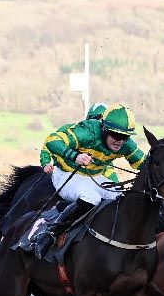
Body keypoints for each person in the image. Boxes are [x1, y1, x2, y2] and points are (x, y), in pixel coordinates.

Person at [33, 104, 145, 258]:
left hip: (95, 177)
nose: (120, 141)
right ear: (104, 129)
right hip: (67, 173)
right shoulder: (88, 132)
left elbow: (144, 163)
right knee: (92, 198)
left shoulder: (126, 145)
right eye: (116, 135)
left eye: (125, 137)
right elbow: (52, 140)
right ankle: (50, 234)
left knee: (122, 198)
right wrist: (75, 156)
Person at [40, 103, 108, 175]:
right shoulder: (70, 129)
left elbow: (109, 170)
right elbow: (50, 143)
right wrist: (46, 163)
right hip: (62, 173)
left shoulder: (107, 146)